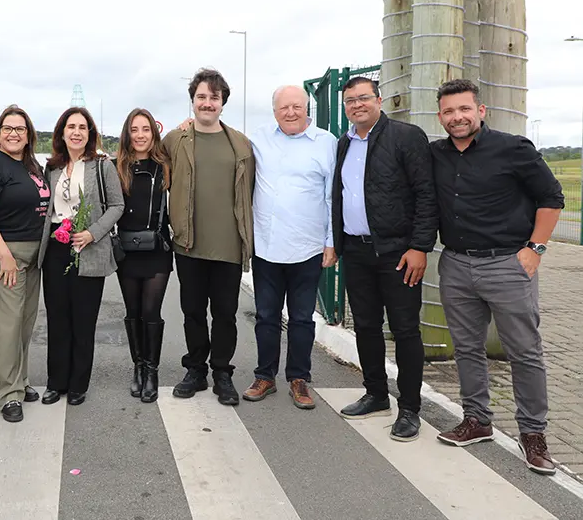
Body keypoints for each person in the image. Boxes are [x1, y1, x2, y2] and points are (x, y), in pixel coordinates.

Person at [430, 79, 564, 475]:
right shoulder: (435, 154)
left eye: (464, 110)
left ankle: (533, 434)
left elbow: (552, 198)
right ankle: (477, 420)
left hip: (508, 264)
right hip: (454, 264)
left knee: (524, 351)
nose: (457, 117)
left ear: (480, 111)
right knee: (467, 348)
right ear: (441, 116)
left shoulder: (513, 149)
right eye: (449, 112)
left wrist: (534, 250)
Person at [332, 76, 437, 442]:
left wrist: (420, 246)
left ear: (379, 100)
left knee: (405, 330)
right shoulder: (345, 143)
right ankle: (376, 393)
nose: (357, 105)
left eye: (363, 98)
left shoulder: (406, 137)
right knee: (365, 325)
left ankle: (409, 407)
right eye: (350, 101)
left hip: (398, 252)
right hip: (357, 250)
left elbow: (426, 194)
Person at [241, 86, 337, 410]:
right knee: (266, 316)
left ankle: (299, 378)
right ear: (274, 111)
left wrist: (331, 241)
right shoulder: (258, 139)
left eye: (297, 106)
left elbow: (330, 196)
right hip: (266, 246)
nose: (291, 112)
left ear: (307, 107)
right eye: (284, 108)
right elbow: (227, 149)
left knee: (302, 319)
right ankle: (264, 376)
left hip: (308, 247)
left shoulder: (326, 143)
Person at [163, 68, 254, 406]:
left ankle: (222, 373)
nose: (207, 102)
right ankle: (196, 369)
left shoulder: (240, 144)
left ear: (222, 102)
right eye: (201, 96)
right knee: (192, 311)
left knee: (226, 313)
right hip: (188, 242)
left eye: (213, 97)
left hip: (228, 244)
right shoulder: (176, 139)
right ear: (192, 101)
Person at [37, 107, 124, 406]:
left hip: (89, 247)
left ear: (90, 134)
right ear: (61, 132)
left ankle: (78, 384)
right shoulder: (52, 168)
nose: (76, 132)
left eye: (82, 127)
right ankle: (56, 381)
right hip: (56, 250)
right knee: (57, 319)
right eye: (70, 126)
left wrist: (92, 233)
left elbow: (117, 205)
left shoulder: (102, 166)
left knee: (83, 321)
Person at [0, 105, 50, 422]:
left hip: (35, 255)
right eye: (8, 128)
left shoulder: (31, 165)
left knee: (24, 322)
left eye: (20, 129)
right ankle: (7, 394)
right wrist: (3, 254)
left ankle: (21, 380)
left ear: (29, 134)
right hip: (6, 252)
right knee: (6, 324)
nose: (14, 133)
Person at [113, 108, 172, 403]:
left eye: (145, 129)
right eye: (134, 130)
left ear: (154, 133)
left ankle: (152, 370)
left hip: (157, 249)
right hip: (126, 249)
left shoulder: (166, 166)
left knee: (151, 312)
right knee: (132, 312)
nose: (140, 135)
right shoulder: (115, 167)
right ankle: (137, 366)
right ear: (127, 134)